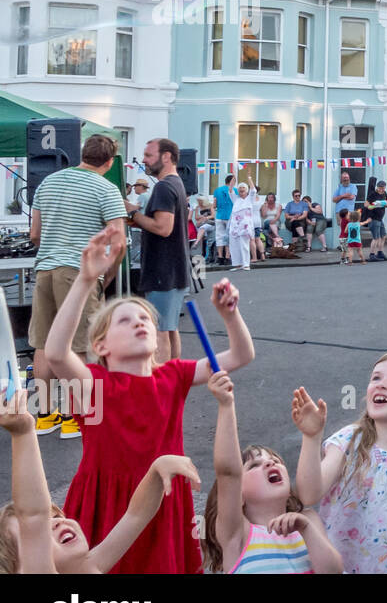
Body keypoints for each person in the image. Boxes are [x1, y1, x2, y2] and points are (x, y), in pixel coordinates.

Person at [47, 227, 255, 573]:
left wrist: (231, 314)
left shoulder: (172, 375)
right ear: (101, 346)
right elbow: (55, 354)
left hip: (164, 497)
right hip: (107, 502)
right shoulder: (95, 384)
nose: (140, 323)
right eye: (124, 321)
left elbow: (241, 355)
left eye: (144, 318)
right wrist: (85, 281)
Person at [0, 389, 202, 575]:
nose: (55, 522)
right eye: (37, 532)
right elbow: (33, 514)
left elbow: (135, 515)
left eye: (54, 516)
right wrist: (23, 433)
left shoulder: (90, 567)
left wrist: (157, 469)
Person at [293, 351, 387, 574]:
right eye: (376, 378)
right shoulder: (350, 440)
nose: (381, 385)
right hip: (340, 567)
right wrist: (311, 437)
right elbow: (309, 494)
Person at [28, 132, 127, 441]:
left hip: (45, 268)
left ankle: (44, 415)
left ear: (81, 154)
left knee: (43, 343)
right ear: (109, 162)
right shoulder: (107, 189)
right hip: (79, 272)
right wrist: (106, 274)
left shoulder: (49, 182)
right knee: (82, 345)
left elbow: (34, 234)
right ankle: (76, 417)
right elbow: (119, 243)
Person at [201, 371, 343, 573]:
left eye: (274, 460)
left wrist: (306, 529)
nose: (269, 464)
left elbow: (333, 571)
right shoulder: (237, 534)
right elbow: (228, 473)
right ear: (239, 495)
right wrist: (226, 405)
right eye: (254, 465)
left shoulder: (308, 519)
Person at [124, 137, 191, 362]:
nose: (144, 160)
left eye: (149, 156)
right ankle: (173, 380)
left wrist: (133, 215)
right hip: (174, 267)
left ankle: (162, 383)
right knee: (170, 328)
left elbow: (163, 228)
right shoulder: (175, 183)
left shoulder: (164, 186)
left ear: (166, 157)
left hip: (163, 269)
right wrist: (139, 214)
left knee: (160, 331)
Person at [227, 173, 260, 273]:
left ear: (246, 190)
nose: (241, 191)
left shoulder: (250, 199)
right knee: (234, 246)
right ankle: (237, 264)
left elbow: (253, 190)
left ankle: (246, 264)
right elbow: (230, 189)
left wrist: (249, 178)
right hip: (235, 226)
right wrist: (234, 178)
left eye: (243, 189)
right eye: (240, 189)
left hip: (245, 227)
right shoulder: (235, 198)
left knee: (244, 245)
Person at [361, 180, 387, 261]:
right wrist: (374, 205)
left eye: (383, 188)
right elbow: (366, 204)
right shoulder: (373, 194)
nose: (381, 190)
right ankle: (372, 255)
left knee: (383, 236)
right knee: (376, 238)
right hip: (373, 219)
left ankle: (380, 253)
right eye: (380, 188)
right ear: (377, 187)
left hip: (380, 219)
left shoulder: (384, 193)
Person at [331, 173, 357, 249]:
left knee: (349, 227)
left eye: (347, 177)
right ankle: (343, 245)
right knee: (342, 228)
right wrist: (343, 196)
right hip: (339, 211)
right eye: (344, 178)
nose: (346, 179)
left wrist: (340, 197)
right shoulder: (339, 188)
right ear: (341, 179)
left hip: (349, 211)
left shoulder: (353, 186)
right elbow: (334, 200)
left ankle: (350, 244)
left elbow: (352, 197)